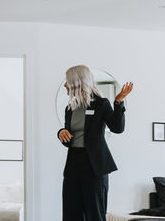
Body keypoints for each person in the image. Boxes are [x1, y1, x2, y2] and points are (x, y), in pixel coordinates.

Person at [57, 65, 133, 221]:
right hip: (73, 165)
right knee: (71, 214)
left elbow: (117, 128)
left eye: (68, 81)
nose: (65, 85)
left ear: (76, 82)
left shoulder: (101, 104)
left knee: (95, 214)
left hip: (95, 167)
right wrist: (61, 133)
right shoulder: (69, 109)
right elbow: (69, 139)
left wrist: (118, 102)